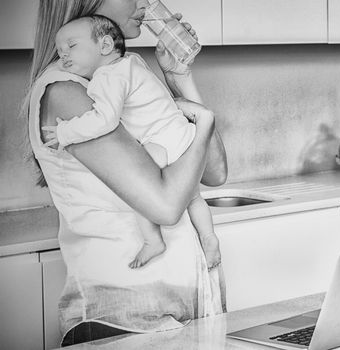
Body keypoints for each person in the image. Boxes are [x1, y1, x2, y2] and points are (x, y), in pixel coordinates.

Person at [22, 0, 228, 346]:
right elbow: (165, 206)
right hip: (124, 322)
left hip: (177, 317)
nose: (143, 2)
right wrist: (203, 121)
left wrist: (179, 77)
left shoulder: (121, 73)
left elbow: (215, 171)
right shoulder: (66, 92)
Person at [43, 14, 221, 270]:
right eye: (60, 51)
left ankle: (152, 240)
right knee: (193, 198)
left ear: (104, 46)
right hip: (182, 133)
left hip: (160, 142)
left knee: (143, 189)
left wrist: (65, 132)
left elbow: (104, 119)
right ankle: (209, 236)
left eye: (71, 46)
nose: (64, 56)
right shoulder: (134, 62)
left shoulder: (108, 76)